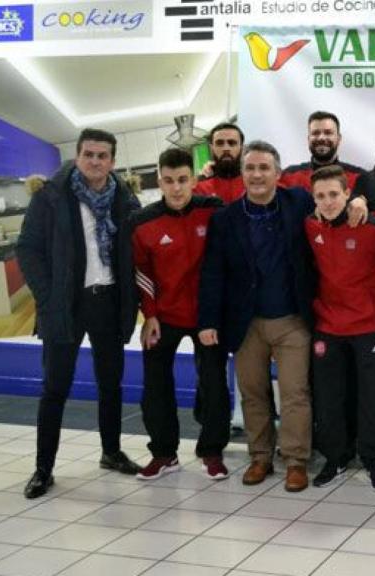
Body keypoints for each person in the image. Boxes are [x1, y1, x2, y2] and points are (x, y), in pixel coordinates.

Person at [17, 128, 142, 499]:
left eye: (103, 156)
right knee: (54, 388)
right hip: (65, 305)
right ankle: (43, 469)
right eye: (89, 154)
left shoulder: (124, 198)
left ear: (113, 161)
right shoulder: (52, 197)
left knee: (110, 384)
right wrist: (48, 296)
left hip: (108, 302)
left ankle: (111, 452)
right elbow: (27, 249)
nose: (95, 161)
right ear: (77, 155)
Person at [198, 140, 317, 492]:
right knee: (253, 393)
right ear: (242, 174)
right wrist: (208, 321)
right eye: (250, 168)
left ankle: (295, 460)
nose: (257, 174)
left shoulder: (300, 203)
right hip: (246, 322)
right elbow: (212, 273)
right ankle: (260, 456)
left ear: (278, 174)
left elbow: (336, 206)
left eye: (265, 168)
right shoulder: (225, 219)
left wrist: (357, 202)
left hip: (293, 318)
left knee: (295, 392)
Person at [131, 149, 230, 481]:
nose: (176, 188)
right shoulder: (143, 223)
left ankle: (212, 452)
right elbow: (141, 271)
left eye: (183, 180)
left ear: (195, 180)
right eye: (169, 181)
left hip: (208, 318)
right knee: (155, 388)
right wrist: (150, 315)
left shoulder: (213, 211)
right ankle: (163, 453)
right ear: (160, 181)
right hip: (164, 317)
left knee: (214, 385)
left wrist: (215, 314)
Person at [305, 165, 375, 492]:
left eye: (334, 194)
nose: (328, 201)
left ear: (348, 194)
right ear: (313, 199)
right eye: (321, 196)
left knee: (373, 397)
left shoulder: (372, 227)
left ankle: (374, 460)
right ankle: (336, 457)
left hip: (368, 325)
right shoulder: (309, 226)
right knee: (330, 397)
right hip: (328, 325)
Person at [280, 110, 368, 192]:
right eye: (315, 133)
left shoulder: (360, 178)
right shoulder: (287, 177)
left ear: (339, 139)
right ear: (308, 139)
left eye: (328, 133)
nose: (321, 138)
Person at [195, 122, 245, 204]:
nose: (226, 148)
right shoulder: (199, 187)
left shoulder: (255, 182)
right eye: (220, 143)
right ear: (211, 148)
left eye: (232, 143)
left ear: (242, 148)